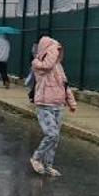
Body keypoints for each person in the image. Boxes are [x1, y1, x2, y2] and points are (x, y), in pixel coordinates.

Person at [30, 36, 76, 177]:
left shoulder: (58, 67)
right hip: (44, 104)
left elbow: (65, 84)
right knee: (52, 134)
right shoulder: (38, 64)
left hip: (58, 105)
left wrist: (71, 102)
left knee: (55, 138)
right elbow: (46, 66)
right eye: (54, 51)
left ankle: (48, 165)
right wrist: (48, 54)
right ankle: (36, 158)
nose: (56, 54)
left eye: (57, 51)